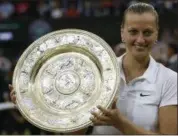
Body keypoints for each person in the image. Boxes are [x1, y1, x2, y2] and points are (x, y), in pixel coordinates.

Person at [9, 2, 177, 135]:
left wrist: (120, 123)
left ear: (156, 34)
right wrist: (31, 105)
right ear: (122, 33)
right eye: (133, 31)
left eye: (147, 32)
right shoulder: (98, 72)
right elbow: (76, 133)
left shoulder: (169, 80)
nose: (140, 39)